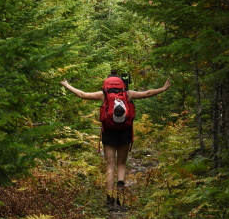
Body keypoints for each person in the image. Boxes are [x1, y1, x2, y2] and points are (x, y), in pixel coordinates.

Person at [60, 70, 171, 210]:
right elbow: (148, 93)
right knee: (121, 164)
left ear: (106, 83)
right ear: (121, 83)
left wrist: (67, 85)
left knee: (110, 166)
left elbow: (82, 95)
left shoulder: (104, 95)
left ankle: (109, 201)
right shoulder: (128, 94)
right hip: (125, 132)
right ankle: (120, 199)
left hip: (109, 132)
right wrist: (163, 88)